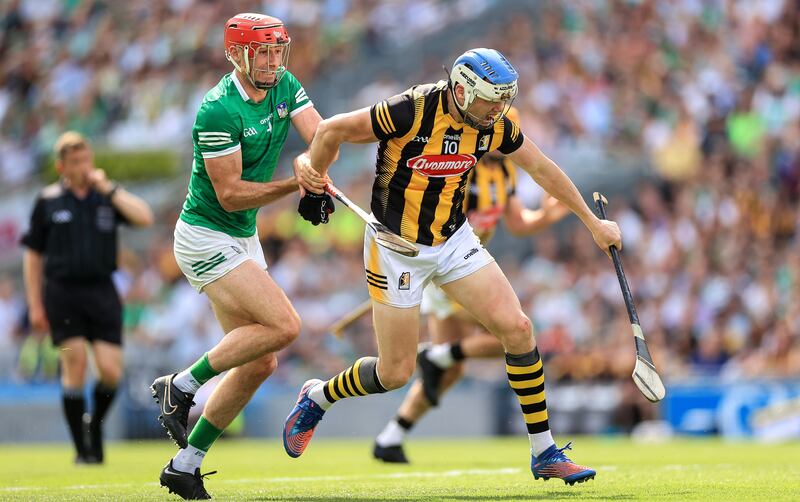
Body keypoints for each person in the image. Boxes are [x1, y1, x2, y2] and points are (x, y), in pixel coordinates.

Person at [285, 48, 621, 486]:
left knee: (518, 329)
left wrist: (593, 224)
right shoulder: (410, 110)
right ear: (461, 90)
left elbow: (541, 167)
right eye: (491, 101)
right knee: (395, 373)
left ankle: (544, 451)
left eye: (505, 101)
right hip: (394, 248)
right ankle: (317, 396)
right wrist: (315, 181)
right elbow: (332, 130)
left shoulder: (493, 126)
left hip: (453, 240)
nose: (499, 111)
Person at [150, 13, 330, 500]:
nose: (273, 61)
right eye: (262, 52)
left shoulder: (284, 84)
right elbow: (229, 194)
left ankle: (185, 465)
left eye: (277, 51)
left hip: (241, 239)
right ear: (237, 54)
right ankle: (181, 384)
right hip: (206, 236)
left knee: (261, 361)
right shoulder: (217, 109)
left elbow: (320, 137)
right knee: (286, 327)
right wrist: (298, 181)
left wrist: (316, 170)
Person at [373, 108, 571, 463]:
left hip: (462, 265)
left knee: (453, 368)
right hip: (447, 264)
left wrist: (548, 215)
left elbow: (518, 222)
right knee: (512, 334)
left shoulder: (506, 171)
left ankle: (392, 435)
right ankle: (436, 357)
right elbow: (445, 217)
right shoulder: (467, 162)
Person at [21, 131, 154, 464]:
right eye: (75, 161)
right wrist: (35, 304)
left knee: (110, 372)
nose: (82, 167)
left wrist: (108, 188)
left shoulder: (106, 197)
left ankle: (93, 424)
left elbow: (144, 217)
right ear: (61, 166)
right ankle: (83, 450)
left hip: (102, 293)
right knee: (74, 362)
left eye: (86, 159)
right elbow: (33, 255)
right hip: (61, 295)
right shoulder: (48, 200)